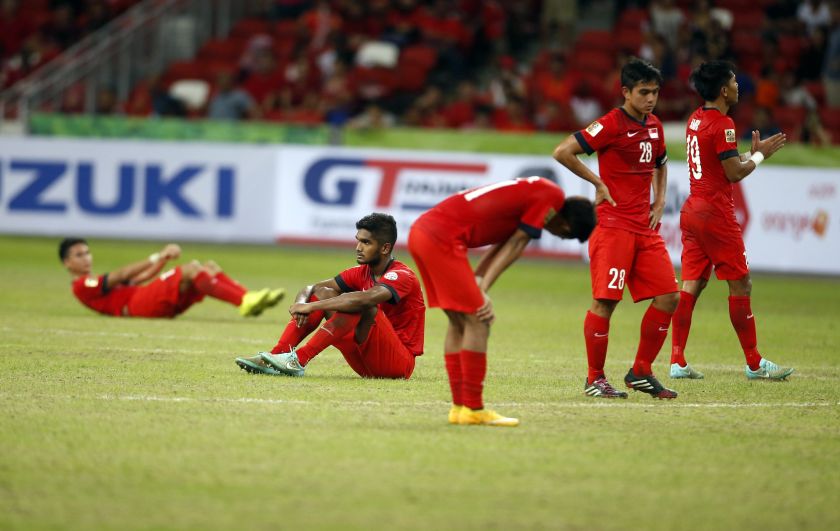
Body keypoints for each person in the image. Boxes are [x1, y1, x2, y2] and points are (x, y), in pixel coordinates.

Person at [408, 177, 596, 427]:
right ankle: (474, 408)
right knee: (479, 320)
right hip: (441, 238)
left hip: (423, 232)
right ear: (566, 224)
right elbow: (518, 243)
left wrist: (479, 281)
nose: (556, 235)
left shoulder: (533, 196)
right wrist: (482, 289)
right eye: (564, 235)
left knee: (459, 321)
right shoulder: (551, 196)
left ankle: (460, 408)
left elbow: (503, 244)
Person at [553, 58, 680, 401]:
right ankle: (595, 378)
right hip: (612, 226)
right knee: (606, 301)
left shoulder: (655, 126)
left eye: (655, 92)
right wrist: (597, 181)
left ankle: (640, 371)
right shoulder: (610, 123)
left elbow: (661, 163)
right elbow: (563, 151)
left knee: (670, 297)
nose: (650, 99)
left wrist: (660, 198)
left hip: (644, 227)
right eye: (643, 92)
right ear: (626, 92)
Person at [669, 60, 793, 381]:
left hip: (693, 209)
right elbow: (733, 173)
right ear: (724, 90)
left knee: (692, 284)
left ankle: (677, 360)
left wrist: (742, 156)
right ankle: (754, 363)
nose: (739, 86)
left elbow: (717, 162)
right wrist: (759, 155)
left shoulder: (695, 120)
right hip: (715, 213)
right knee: (741, 283)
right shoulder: (723, 124)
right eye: (735, 81)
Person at [236, 213, 425, 379]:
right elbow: (312, 288)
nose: (358, 247)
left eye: (366, 242)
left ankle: (298, 360)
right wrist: (302, 303)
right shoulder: (361, 272)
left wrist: (310, 307)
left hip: (397, 364)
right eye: (358, 240)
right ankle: (275, 356)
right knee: (323, 293)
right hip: (364, 360)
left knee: (360, 302)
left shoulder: (402, 275)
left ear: (385, 248)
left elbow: (365, 299)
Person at [59, 238, 284, 319]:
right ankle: (244, 301)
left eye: (87, 252)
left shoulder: (96, 283)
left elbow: (141, 277)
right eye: (79, 255)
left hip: (143, 300)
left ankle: (249, 298)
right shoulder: (82, 285)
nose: (86, 258)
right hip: (137, 306)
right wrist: (157, 255)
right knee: (191, 269)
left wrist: (163, 259)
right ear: (67, 263)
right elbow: (124, 274)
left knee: (208, 267)